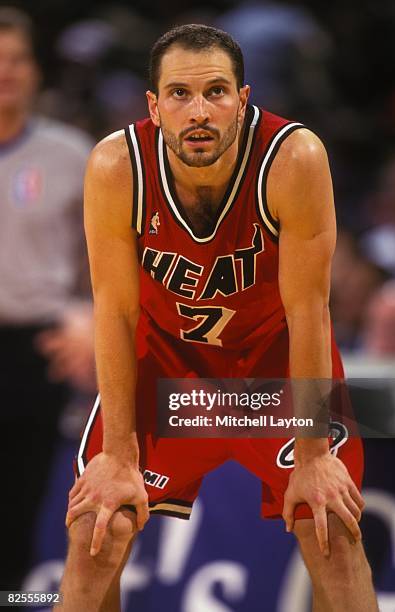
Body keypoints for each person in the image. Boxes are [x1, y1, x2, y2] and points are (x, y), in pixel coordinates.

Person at [59, 24, 378, 612]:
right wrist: (119, 454)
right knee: (97, 531)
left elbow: (309, 310)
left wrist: (313, 459)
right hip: (169, 366)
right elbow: (117, 310)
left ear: (243, 97)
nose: (198, 111)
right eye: (179, 93)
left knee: (330, 528)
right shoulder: (116, 165)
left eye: (216, 92)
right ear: (153, 105)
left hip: (275, 367)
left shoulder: (294, 158)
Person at [0, 7, 94, 590]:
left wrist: (85, 317)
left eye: (17, 59)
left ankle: (11, 600)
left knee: (19, 516)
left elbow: (107, 262)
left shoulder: (75, 155)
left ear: (36, 70)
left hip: (35, 350)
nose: (6, 72)